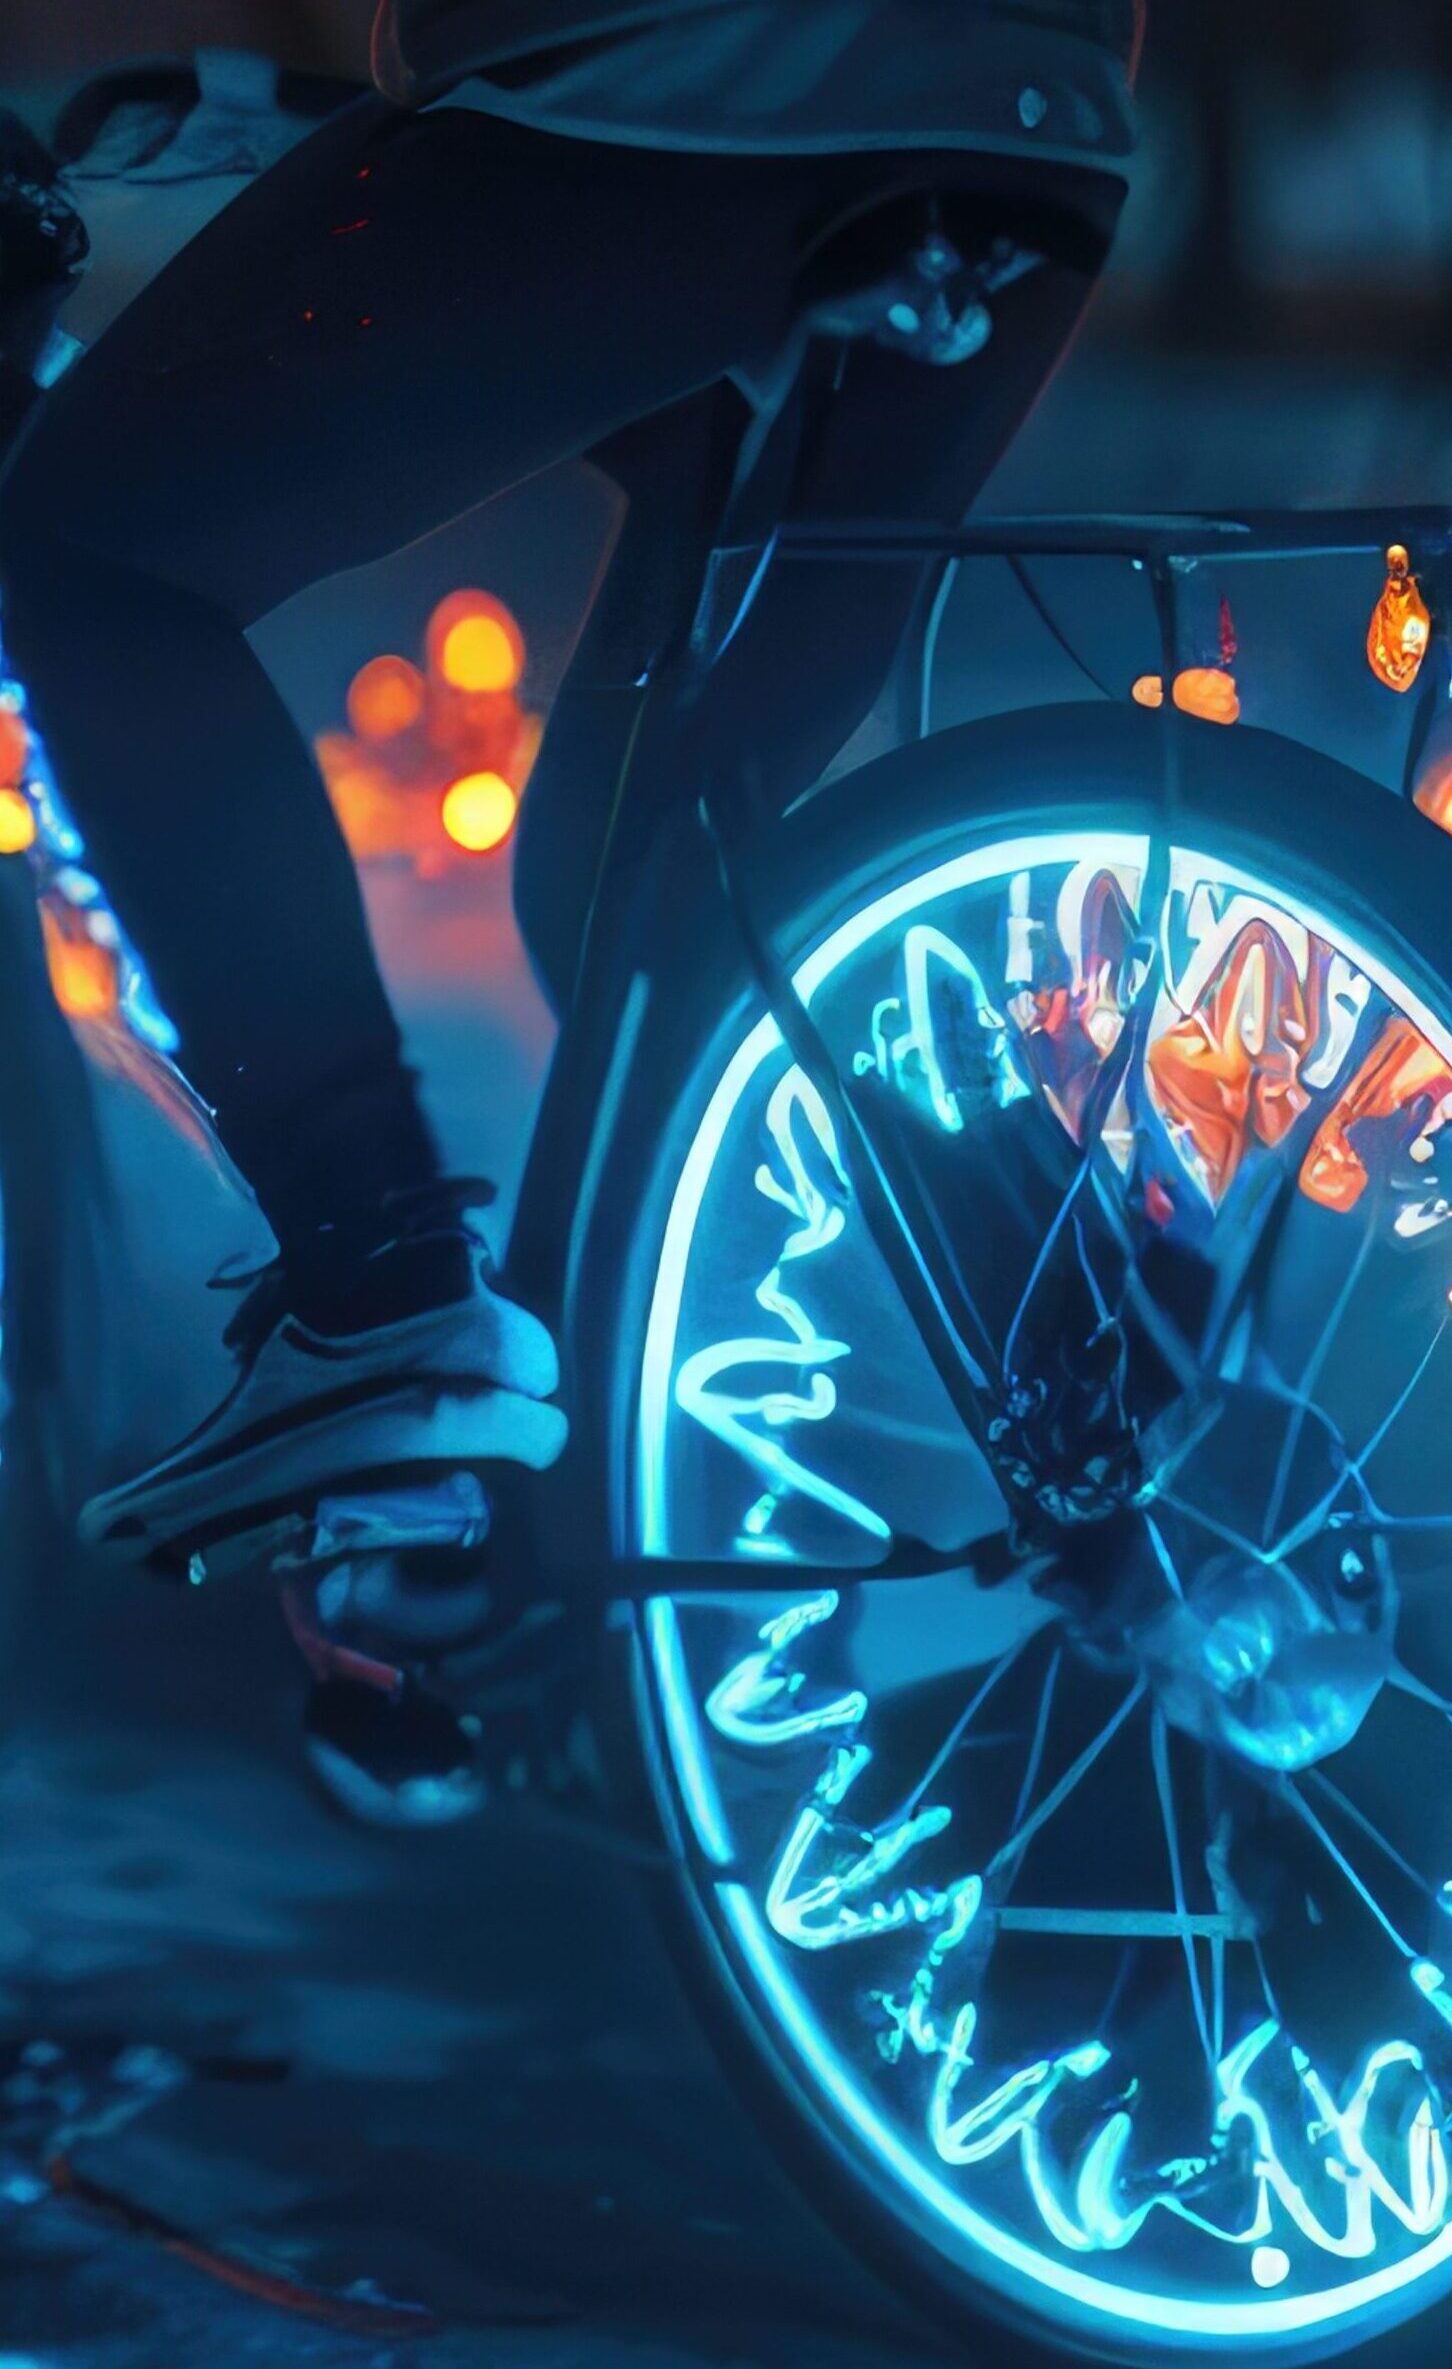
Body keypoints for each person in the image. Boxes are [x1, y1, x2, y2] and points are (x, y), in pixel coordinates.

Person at [0, 1, 1137, 1553]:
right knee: (632, 884)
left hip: (699, 86)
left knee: (86, 553)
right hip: (1030, 106)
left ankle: (372, 1280)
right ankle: (1143, 1383)